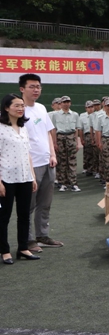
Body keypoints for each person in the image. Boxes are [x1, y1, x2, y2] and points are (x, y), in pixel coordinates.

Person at [18, 73, 61, 251]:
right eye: (32, 87)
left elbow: (48, 133)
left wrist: (52, 154)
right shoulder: (18, 111)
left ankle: (42, 235)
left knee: (45, 203)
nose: (36, 90)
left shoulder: (42, 108)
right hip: (30, 164)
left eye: (38, 87)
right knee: (28, 204)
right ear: (22, 89)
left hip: (47, 162)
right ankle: (28, 240)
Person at [0, 94, 40, 264]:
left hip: (25, 178)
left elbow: (27, 154)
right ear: (6, 108)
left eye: (22, 106)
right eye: (16, 105)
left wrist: (32, 176)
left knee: (24, 215)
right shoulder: (1, 128)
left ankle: (23, 248)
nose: (20, 108)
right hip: (6, 179)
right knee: (4, 217)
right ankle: (4, 251)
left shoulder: (23, 128)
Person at [52, 96, 81, 192]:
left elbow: (76, 129)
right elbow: (54, 129)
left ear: (70, 103)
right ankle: (63, 183)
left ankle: (73, 183)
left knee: (72, 161)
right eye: (64, 102)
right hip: (60, 137)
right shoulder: (55, 115)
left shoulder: (75, 115)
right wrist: (54, 143)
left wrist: (77, 142)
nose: (66, 104)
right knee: (62, 161)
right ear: (61, 104)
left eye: (68, 102)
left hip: (71, 137)